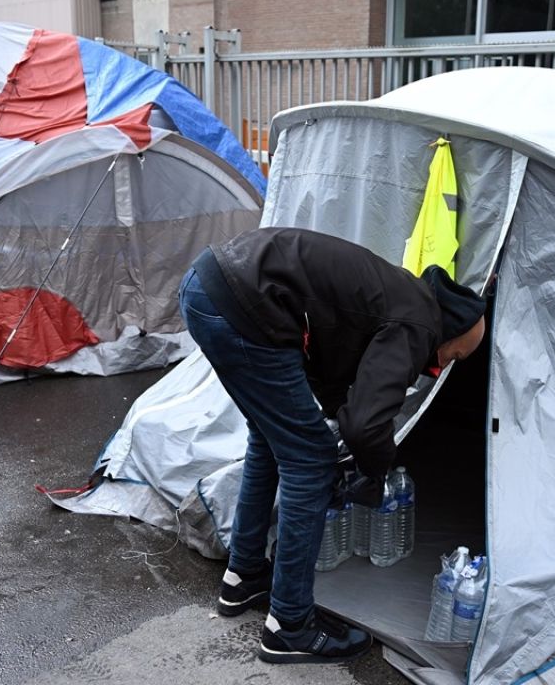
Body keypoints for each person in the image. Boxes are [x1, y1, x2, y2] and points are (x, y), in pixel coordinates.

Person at [177, 227, 487, 664]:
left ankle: (244, 574)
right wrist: (373, 472)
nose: (446, 365)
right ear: (450, 331)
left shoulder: (399, 298)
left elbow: (337, 381)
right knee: (309, 460)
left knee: (271, 439)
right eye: (456, 356)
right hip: (245, 301)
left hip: (211, 287)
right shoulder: (419, 322)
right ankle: (290, 626)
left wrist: (344, 436)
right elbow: (364, 426)